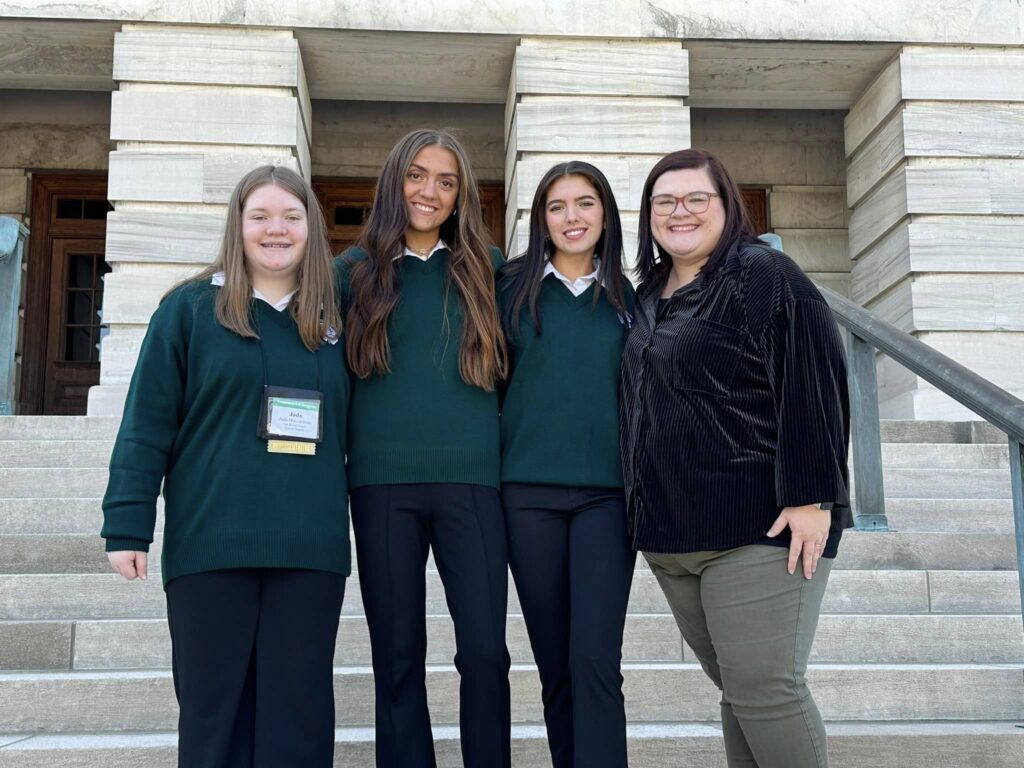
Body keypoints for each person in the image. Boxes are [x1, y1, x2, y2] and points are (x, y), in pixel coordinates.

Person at [100, 165, 350, 767]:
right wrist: (127, 522)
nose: (276, 230)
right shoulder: (188, 311)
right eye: (260, 216)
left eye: (292, 217)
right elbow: (145, 423)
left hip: (308, 551)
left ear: (312, 229)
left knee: (300, 718)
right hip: (211, 546)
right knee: (215, 716)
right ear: (237, 226)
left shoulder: (338, 320)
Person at [619, 148, 851, 768]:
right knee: (741, 692)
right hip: (670, 535)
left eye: (698, 198)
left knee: (767, 690)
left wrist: (811, 496)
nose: (680, 211)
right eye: (664, 201)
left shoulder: (761, 274)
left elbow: (813, 378)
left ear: (728, 206)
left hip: (759, 527)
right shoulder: (645, 297)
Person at [334, 129, 510, 768]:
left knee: (487, 652)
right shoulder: (352, 272)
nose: (428, 192)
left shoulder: (489, 268)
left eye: (445, 180)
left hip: (473, 484)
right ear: (393, 183)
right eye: (416, 175)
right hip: (381, 486)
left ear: (462, 194)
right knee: (398, 654)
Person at [498, 161, 635, 768]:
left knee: (596, 661)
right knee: (555, 662)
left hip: (608, 499)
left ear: (605, 213)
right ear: (540, 219)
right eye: (557, 207)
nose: (571, 218)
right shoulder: (510, 289)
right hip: (527, 495)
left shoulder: (634, 298)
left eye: (584, 204)